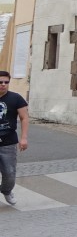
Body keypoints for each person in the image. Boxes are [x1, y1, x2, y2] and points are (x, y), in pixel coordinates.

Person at [0, 70, 30, 206]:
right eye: (0, 82)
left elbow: (24, 118)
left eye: (6, 82)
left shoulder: (16, 98)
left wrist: (23, 138)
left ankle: (6, 191)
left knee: (9, 173)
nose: (3, 85)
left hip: (8, 142)